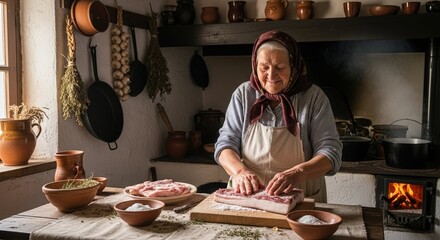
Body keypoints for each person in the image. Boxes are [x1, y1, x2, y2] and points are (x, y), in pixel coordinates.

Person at [214, 31, 342, 202]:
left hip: (301, 197)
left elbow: (330, 153)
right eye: (264, 67)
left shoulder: (314, 98)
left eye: (280, 68)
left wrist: (297, 174)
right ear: (255, 65)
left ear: (294, 66)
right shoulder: (243, 95)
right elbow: (225, 145)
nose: (271, 76)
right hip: (249, 197)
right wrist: (240, 172)